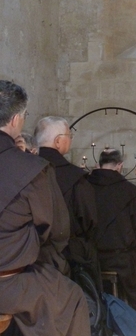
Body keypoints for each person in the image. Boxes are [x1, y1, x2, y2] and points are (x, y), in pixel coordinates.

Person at [0, 80, 90, 335]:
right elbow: (57, 230)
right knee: (71, 299)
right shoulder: (32, 169)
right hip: (9, 282)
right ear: (17, 119)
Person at [34, 116, 99, 282]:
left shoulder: (24, 170)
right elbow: (89, 221)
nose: (70, 139)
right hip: (69, 257)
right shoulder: (76, 178)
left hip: (30, 253)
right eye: (69, 135)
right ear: (57, 141)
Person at [88, 148, 136, 321]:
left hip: (93, 259)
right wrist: (134, 257)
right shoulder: (130, 192)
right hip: (122, 259)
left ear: (98, 165)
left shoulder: (85, 187)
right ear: (120, 166)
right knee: (134, 283)